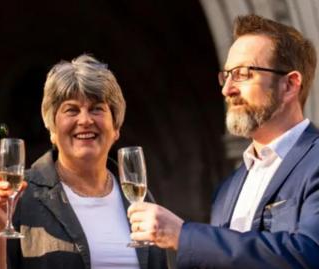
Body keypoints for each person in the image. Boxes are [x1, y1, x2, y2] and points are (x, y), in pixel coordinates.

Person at [127, 14, 319, 268]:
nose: (227, 89)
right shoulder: (228, 188)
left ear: (289, 85)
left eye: (242, 74)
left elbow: (308, 255)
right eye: (226, 75)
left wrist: (183, 236)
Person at [0, 54, 167, 269]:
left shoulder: (138, 196)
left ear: (116, 128)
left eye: (97, 108)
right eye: (71, 110)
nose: (85, 120)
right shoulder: (16, 196)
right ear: (52, 130)